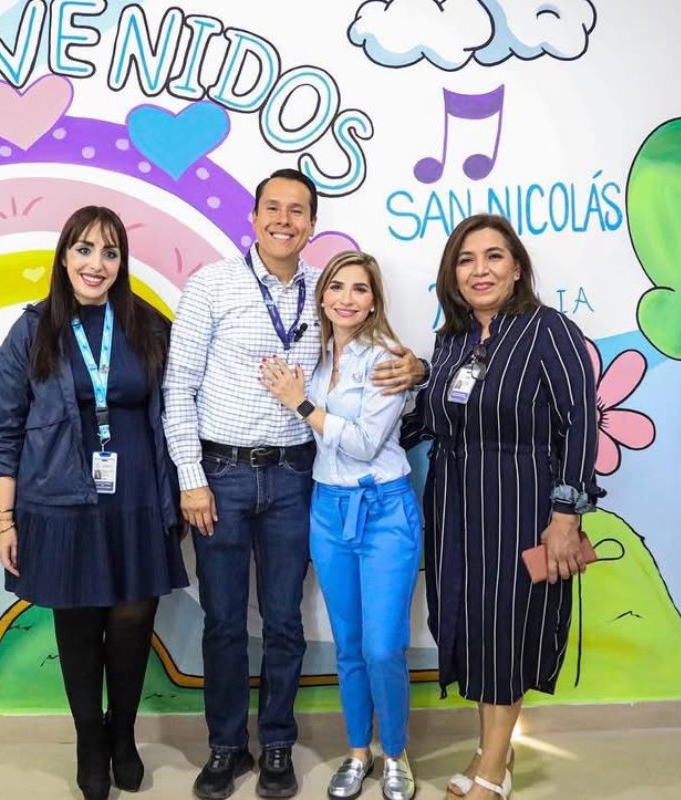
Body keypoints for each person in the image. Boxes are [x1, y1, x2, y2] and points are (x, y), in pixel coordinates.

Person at [163, 169, 426, 800]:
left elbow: (368, 362)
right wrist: (191, 477)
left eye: (298, 211)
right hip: (220, 477)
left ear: (311, 223)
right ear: (253, 217)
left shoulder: (325, 292)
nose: (285, 219)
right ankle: (227, 746)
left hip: (293, 477)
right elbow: (179, 386)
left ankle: (277, 742)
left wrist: (415, 368)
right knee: (224, 620)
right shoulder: (213, 285)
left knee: (282, 618)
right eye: (273, 209)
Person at [0, 206, 188, 800]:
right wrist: (3, 519)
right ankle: (88, 741)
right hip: (60, 504)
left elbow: (181, 405)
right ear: (64, 256)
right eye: (84, 249)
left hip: (140, 498)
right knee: (78, 628)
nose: (96, 264)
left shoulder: (149, 327)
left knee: (131, 625)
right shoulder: (33, 330)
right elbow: (4, 429)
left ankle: (121, 734)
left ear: (121, 263)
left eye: (110, 252)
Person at [401, 214, 602, 800]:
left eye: (493, 257)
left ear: (516, 269)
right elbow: (428, 421)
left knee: (507, 630)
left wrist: (566, 516)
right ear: (452, 274)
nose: (480, 269)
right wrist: (353, 419)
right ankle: (496, 751)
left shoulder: (550, 331)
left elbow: (581, 425)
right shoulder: (451, 341)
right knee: (470, 627)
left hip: (523, 501)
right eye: (466, 259)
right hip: (456, 504)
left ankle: (492, 769)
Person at [260, 251, 422, 800]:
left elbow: (361, 442)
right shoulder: (316, 355)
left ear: (374, 299)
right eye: (336, 287)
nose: (346, 298)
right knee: (348, 644)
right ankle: (358, 753)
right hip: (327, 510)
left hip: (384, 511)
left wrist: (298, 402)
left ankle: (395, 753)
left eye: (359, 289)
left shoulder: (389, 360)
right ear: (322, 295)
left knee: (383, 647)